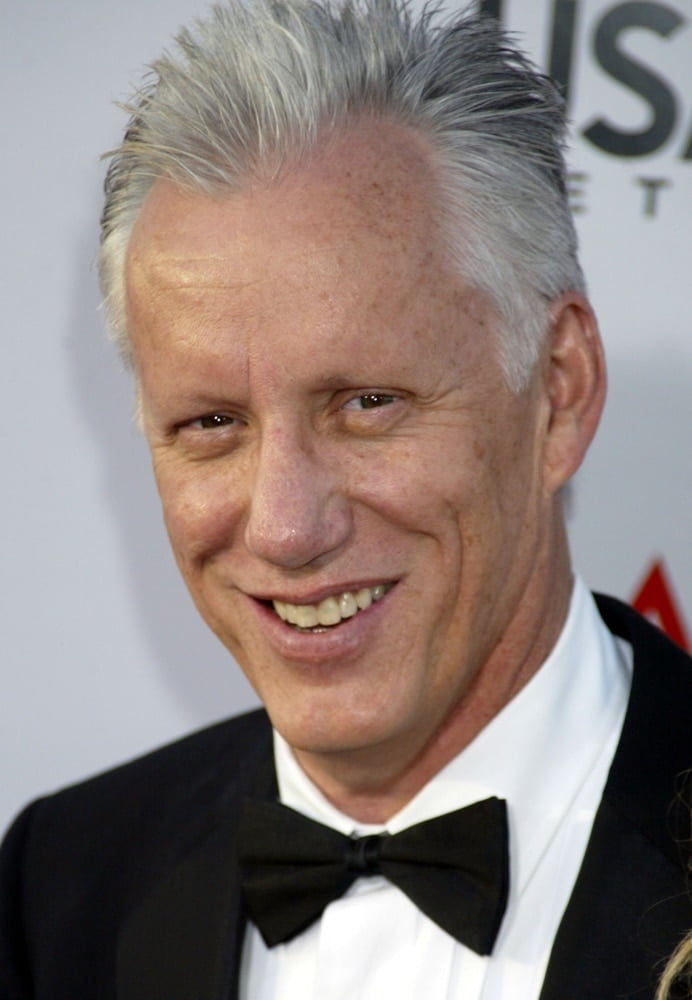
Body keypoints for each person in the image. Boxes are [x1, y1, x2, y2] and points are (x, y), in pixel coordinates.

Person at [1, 1, 691, 998]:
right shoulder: (61, 881)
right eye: (210, 424)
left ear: (557, 390)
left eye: (367, 404)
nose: (284, 525)